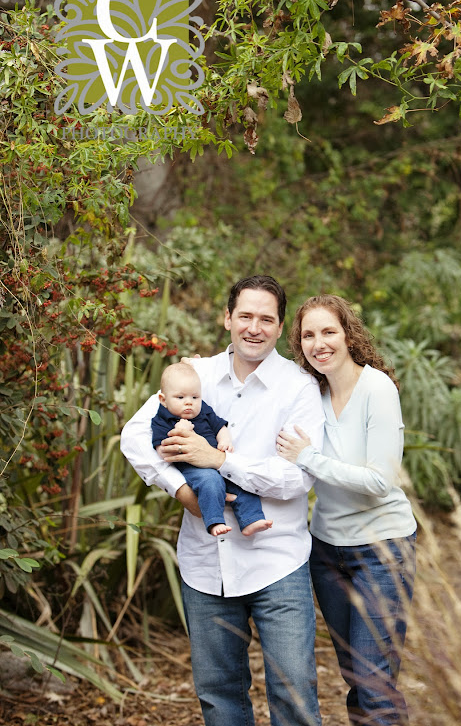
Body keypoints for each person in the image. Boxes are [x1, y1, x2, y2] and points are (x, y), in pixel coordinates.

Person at [120, 275, 324, 726]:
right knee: (219, 698)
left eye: (266, 319)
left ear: (279, 326)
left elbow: (298, 478)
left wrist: (217, 460)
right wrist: (182, 490)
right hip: (204, 564)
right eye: (245, 316)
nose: (254, 327)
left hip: (277, 562)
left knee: (295, 700)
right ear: (227, 318)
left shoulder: (299, 388)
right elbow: (134, 437)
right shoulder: (195, 374)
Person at [277, 294, 417, 726]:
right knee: (356, 676)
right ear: (299, 344)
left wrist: (307, 458)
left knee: (373, 681)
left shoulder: (377, 388)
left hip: (383, 548)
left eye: (328, 331)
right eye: (308, 335)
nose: (319, 343)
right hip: (327, 553)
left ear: (348, 335)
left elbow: (380, 481)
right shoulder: (306, 391)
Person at [151, 362, 272, 537]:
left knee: (241, 481)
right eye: (180, 398)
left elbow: (220, 426)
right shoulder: (162, 420)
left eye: (195, 397)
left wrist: (225, 441)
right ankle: (214, 521)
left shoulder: (204, 411)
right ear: (163, 399)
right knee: (210, 482)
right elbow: (162, 452)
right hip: (192, 468)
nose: (189, 403)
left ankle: (251, 519)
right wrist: (182, 434)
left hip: (217, 461)